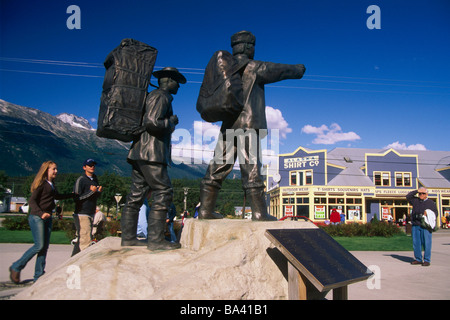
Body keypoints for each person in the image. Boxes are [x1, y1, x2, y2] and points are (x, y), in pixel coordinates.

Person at [199, 31, 305, 221]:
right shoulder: (254, 67)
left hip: (229, 125)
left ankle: (205, 211)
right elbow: (281, 70)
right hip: (248, 125)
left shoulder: (227, 70)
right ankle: (259, 213)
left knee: (218, 166)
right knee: (252, 166)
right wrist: (298, 69)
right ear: (249, 47)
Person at [121, 67, 186, 251]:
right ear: (168, 81)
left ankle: (128, 238)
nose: (179, 87)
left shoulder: (152, 96)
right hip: (152, 154)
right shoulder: (161, 96)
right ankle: (156, 240)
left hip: (139, 152)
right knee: (164, 191)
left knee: (136, 195)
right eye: (177, 82)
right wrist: (171, 122)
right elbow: (152, 122)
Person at [9, 161, 73, 283]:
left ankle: (38, 276)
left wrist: (72, 195)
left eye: (56, 169)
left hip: (47, 218)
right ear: (46, 170)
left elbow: (57, 196)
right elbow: (32, 201)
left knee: (44, 248)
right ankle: (16, 267)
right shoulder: (42, 184)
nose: (56, 171)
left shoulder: (51, 184)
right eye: (53, 169)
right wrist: (41, 213)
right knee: (39, 245)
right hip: (37, 217)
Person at [72, 159, 102, 256]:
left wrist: (98, 192)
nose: (92, 167)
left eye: (93, 165)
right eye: (89, 165)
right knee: (86, 241)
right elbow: (76, 198)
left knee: (82, 239)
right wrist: (91, 192)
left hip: (91, 211)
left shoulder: (95, 179)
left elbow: (93, 196)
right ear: (84, 167)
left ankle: (72, 262)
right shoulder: (81, 180)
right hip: (82, 213)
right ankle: (82, 264)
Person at [406, 188, 438, 266]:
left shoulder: (430, 203)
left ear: (427, 194)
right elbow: (408, 196)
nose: (421, 195)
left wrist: (427, 215)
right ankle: (418, 259)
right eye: (420, 193)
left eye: (423, 193)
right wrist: (417, 190)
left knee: (426, 243)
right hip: (415, 225)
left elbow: (435, 214)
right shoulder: (415, 201)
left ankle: (427, 260)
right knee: (416, 243)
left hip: (425, 226)